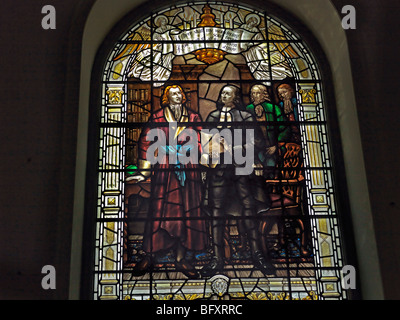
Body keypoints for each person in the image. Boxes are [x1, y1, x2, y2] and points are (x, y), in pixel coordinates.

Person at [128, 85, 206, 279]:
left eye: (180, 93)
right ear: (166, 98)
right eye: (173, 94)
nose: (178, 96)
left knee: (187, 213)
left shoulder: (194, 117)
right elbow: (147, 141)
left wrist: (187, 148)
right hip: (164, 171)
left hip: (188, 171)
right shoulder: (157, 118)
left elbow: (202, 140)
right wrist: (144, 170)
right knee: (159, 212)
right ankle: (150, 255)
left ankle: (181, 258)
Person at [200, 85, 275, 277]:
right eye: (222, 92)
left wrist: (234, 145)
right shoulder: (212, 117)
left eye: (228, 93)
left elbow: (258, 142)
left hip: (242, 168)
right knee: (217, 213)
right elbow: (205, 143)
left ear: (235, 97)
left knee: (249, 209)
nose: (223, 95)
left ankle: (257, 255)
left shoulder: (246, 117)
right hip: (218, 170)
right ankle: (217, 259)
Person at [246, 84, 291, 178]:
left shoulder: (273, 108)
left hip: (272, 148)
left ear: (264, 94)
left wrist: (276, 145)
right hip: (254, 149)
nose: (254, 96)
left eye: (257, 93)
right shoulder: (248, 109)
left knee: (271, 169)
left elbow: (285, 128)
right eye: (252, 93)